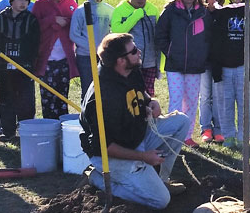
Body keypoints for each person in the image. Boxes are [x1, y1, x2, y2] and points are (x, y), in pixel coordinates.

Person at [79, 32, 190, 210]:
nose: (139, 52)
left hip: (135, 136)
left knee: (181, 121)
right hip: (111, 154)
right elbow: (104, 146)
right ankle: (99, 179)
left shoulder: (130, 70)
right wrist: (143, 157)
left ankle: (161, 181)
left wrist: (153, 102)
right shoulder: (103, 96)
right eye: (133, 51)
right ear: (120, 60)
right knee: (161, 200)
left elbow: (141, 93)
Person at [155, 0, 210, 147]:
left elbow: (209, 37)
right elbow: (160, 36)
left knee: (192, 100)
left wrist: (202, 54)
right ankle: (172, 135)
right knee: (176, 100)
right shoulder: (170, 11)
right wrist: (171, 52)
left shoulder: (203, 12)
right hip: (175, 65)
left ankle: (187, 136)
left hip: (195, 65)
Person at [209, 0, 250, 149]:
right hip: (224, 68)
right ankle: (229, 136)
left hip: (244, 68)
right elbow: (215, 42)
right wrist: (216, 68)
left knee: (244, 103)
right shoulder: (222, 14)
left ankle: (242, 137)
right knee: (225, 104)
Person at [0, 0, 40, 144]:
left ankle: (26, 129)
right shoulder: (0, 18)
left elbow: (35, 44)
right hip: (5, 69)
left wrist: (29, 62)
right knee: (5, 99)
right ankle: (8, 131)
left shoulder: (31, 20)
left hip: (24, 68)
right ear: (11, 0)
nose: (23, 2)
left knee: (25, 100)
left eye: (26, 0)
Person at [32, 0, 79, 119]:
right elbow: (34, 27)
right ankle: (49, 123)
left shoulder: (70, 3)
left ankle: (62, 124)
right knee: (47, 95)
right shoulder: (40, 4)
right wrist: (52, 20)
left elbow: (77, 24)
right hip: (47, 58)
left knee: (62, 95)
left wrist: (66, 22)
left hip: (64, 58)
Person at [111, 0, 161, 96]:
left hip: (150, 62)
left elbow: (157, 36)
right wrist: (136, 15)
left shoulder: (153, 9)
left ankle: (147, 115)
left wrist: (158, 64)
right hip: (129, 62)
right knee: (130, 94)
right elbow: (117, 31)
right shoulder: (120, 10)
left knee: (148, 95)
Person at [70, 0, 113, 101]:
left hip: (104, 56)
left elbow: (115, 28)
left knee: (105, 86)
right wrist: (92, 46)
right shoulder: (80, 11)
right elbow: (74, 34)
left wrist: (106, 47)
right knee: (88, 87)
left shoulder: (109, 10)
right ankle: (87, 115)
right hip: (85, 56)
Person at [198, 0, 224, 144]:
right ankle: (206, 128)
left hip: (219, 62)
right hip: (203, 61)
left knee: (218, 96)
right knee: (205, 96)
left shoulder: (224, 13)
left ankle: (219, 128)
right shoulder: (200, 14)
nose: (213, 0)